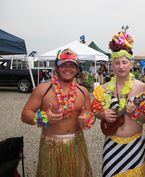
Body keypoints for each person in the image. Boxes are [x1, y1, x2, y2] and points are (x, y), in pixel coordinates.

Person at [21, 48, 94, 177]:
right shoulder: (43, 89)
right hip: (51, 145)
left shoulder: (83, 91)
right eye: (63, 65)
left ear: (77, 69)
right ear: (57, 67)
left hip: (77, 143)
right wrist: (43, 118)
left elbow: (90, 115)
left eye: (72, 65)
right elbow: (25, 114)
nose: (68, 69)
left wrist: (86, 119)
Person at [91, 31, 145, 177]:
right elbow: (95, 111)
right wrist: (102, 114)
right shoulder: (103, 89)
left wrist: (136, 113)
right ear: (112, 66)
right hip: (112, 143)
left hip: (135, 144)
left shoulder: (143, 88)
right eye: (117, 63)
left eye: (124, 62)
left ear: (131, 64)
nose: (121, 66)